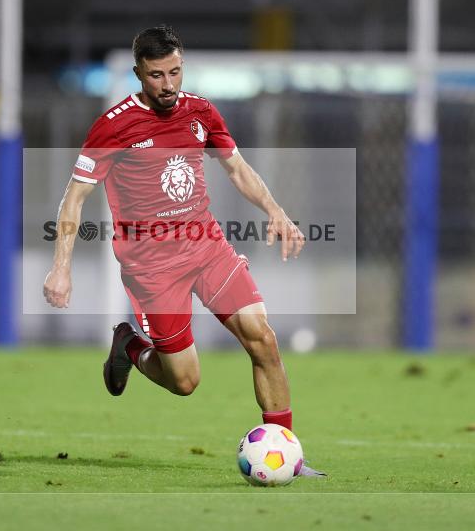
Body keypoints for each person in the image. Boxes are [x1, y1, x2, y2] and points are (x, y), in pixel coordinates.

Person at [43, 25, 323, 476]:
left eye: (175, 72)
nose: (169, 84)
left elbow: (236, 167)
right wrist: (61, 269)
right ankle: (130, 346)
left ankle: (291, 455)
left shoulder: (200, 112)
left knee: (263, 340)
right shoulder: (114, 126)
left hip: (207, 247)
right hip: (153, 268)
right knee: (185, 381)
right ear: (138, 73)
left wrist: (275, 209)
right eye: (157, 75)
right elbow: (73, 198)